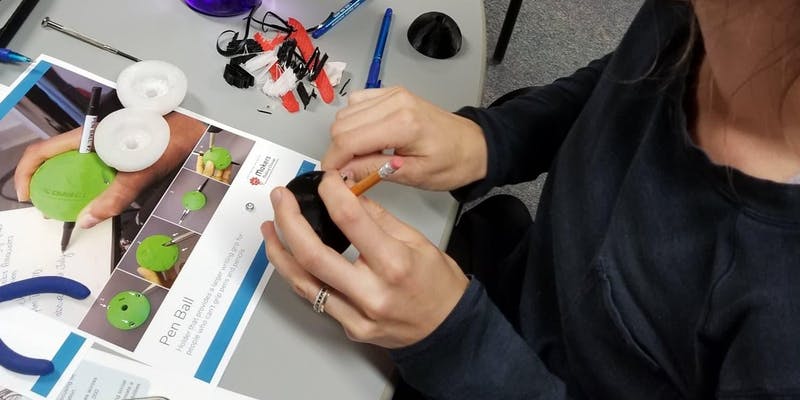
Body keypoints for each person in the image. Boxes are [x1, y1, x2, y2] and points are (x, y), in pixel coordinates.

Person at [260, 0, 800, 399]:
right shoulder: (701, 17)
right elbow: (618, 80)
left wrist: (456, 342)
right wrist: (489, 140)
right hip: (509, 293)